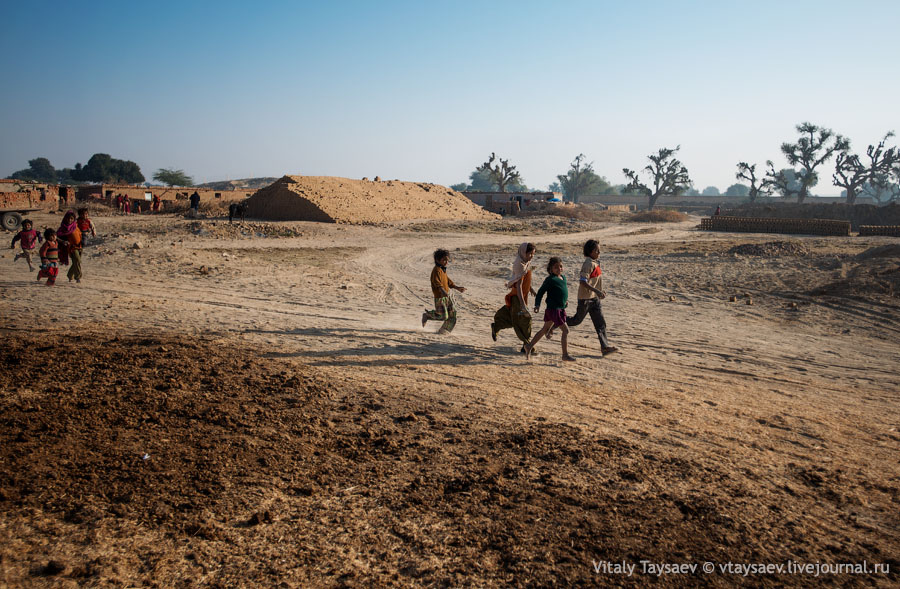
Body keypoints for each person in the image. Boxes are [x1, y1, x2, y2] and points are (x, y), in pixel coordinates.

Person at [565, 239, 617, 356]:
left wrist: (599, 291)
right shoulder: (588, 264)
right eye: (597, 250)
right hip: (585, 299)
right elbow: (583, 282)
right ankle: (558, 321)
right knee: (576, 320)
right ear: (590, 251)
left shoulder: (595, 263)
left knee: (600, 323)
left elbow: (594, 281)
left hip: (594, 299)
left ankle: (605, 347)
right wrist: (597, 291)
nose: (599, 252)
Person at [491, 243, 539, 354]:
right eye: (530, 254)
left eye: (533, 254)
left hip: (522, 296)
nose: (532, 256)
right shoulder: (519, 265)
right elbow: (518, 284)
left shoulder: (525, 262)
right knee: (525, 319)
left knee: (513, 318)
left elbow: (524, 278)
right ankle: (527, 345)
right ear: (523, 252)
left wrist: (530, 289)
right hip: (518, 297)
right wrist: (522, 303)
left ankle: (497, 326)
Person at [525, 257, 574, 361]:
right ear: (550, 269)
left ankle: (529, 346)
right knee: (565, 330)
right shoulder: (550, 279)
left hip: (560, 309)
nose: (559, 268)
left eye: (560, 266)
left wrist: (565, 302)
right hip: (553, 310)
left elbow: (562, 293)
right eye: (556, 267)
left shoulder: (563, 278)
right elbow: (541, 292)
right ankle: (565, 355)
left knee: (544, 329)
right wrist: (537, 304)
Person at [421, 249, 466, 334]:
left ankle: (444, 331)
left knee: (453, 315)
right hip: (440, 297)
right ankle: (427, 315)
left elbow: (448, 281)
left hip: (447, 296)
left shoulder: (442, 269)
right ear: (437, 260)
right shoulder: (436, 270)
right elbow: (437, 282)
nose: (446, 262)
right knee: (443, 316)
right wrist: (442, 291)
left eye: (447, 260)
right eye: (444, 260)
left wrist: (457, 287)